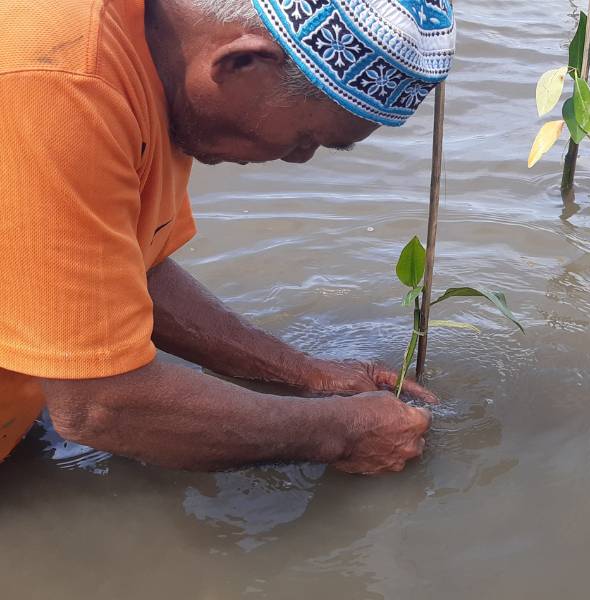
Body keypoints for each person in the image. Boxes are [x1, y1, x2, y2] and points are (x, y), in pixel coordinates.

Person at [0, 0, 456, 474]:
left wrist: (309, 376)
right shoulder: (62, 85)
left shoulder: (154, 60)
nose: (299, 159)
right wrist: (338, 431)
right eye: (305, 137)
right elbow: (100, 404)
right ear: (242, 61)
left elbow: (123, 275)